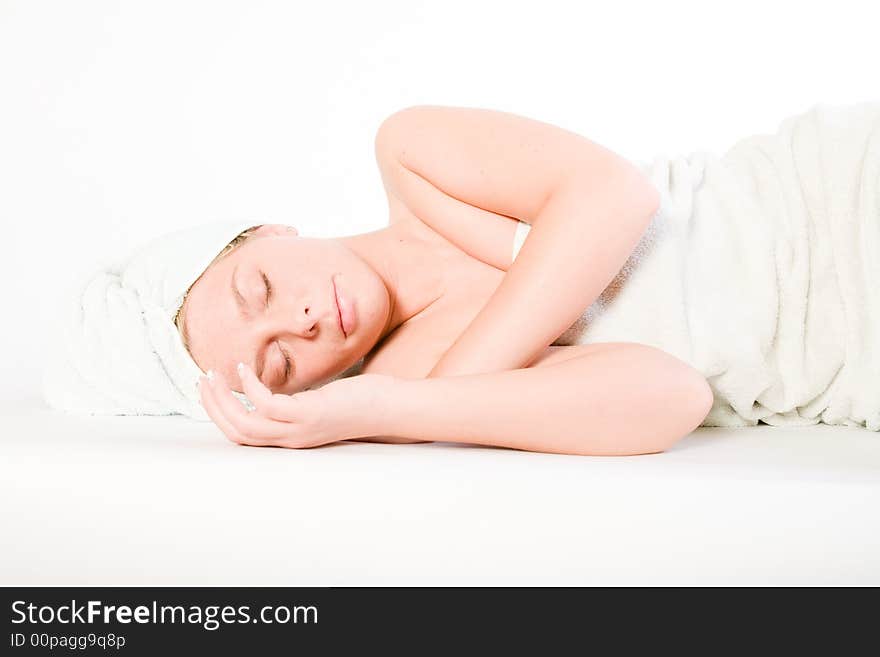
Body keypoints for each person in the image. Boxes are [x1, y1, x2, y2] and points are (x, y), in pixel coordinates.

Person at [48, 102, 880, 455]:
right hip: (849, 367)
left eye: (259, 288)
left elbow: (614, 197)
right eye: (278, 366)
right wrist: (392, 406)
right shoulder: (419, 384)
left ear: (268, 230)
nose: (299, 325)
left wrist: (467, 376)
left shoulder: (411, 157)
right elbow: (673, 395)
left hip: (830, 196)